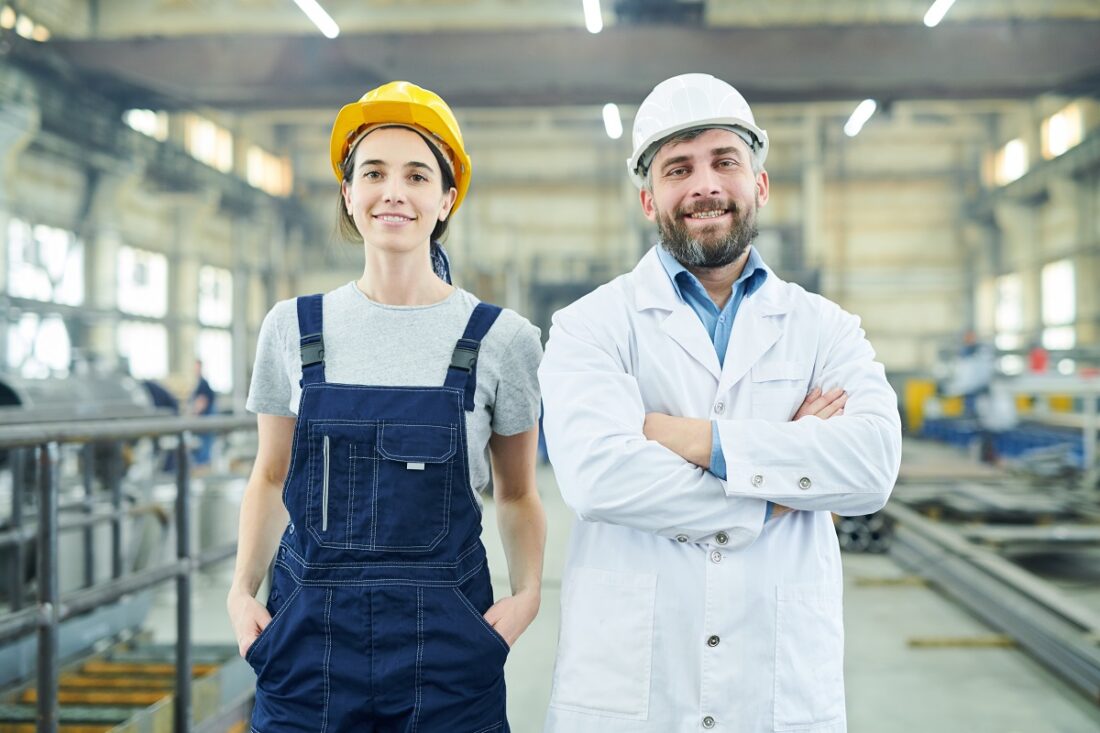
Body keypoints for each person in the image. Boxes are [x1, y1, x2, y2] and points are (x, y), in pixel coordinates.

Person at [538, 73, 902, 732]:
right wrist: (782, 485)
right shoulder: (590, 325)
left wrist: (694, 439)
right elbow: (599, 479)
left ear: (758, 185)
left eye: (724, 161)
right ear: (649, 199)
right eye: (679, 168)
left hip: (778, 686)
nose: (705, 184)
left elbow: (872, 465)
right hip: (633, 690)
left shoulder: (824, 326)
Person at [226, 81, 546, 732]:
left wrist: (529, 596)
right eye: (373, 172)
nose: (393, 190)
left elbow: (517, 492)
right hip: (305, 646)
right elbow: (270, 473)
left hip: (448, 651)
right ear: (349, 193)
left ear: (446, 198)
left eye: (417, 174)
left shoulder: (502, 338)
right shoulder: (292, 327)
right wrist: (240, 592)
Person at [189, 359, 217, 465]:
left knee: (205, 448)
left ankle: (203, 468)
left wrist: (193, 415)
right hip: (206, 420)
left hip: (206, 421)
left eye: (197, 367)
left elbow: (202, 402)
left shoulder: (203, 384)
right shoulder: (200, 383)